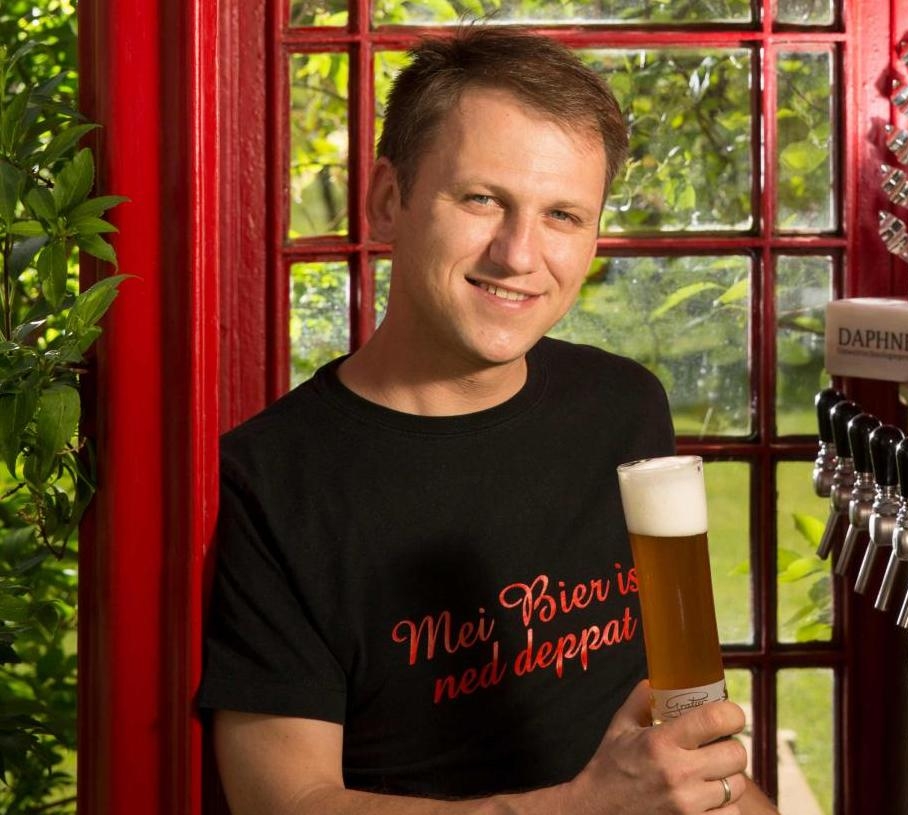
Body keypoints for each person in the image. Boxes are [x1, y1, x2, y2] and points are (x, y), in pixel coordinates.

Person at [198, 25, 780, 815]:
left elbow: (679, 743)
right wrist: (579, 808)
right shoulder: (274, 478)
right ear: (388, 200)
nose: (518, 254)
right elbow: (285, 801)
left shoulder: (624, 407)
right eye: (482, 199)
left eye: (563, 215)